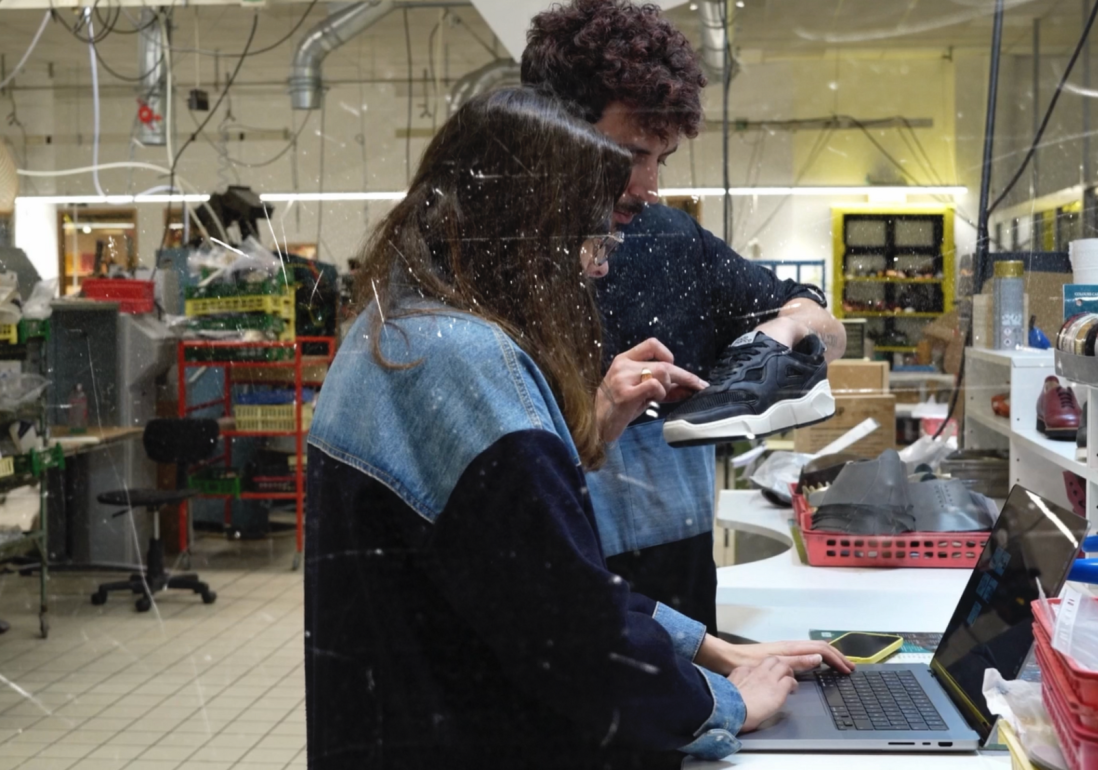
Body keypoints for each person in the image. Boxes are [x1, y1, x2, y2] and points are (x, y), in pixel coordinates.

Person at [305, 87, 850, 768]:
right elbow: (574, 639)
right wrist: (728, 701)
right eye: (592, 239)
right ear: (527, 230)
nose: (598, 267)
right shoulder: (470, 367)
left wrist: (707, 646)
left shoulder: (394, 330)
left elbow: (538, 578)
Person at [522, 0, 848, 634]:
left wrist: (786, 333)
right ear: (553, 131)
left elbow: (822, 322)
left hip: (675, 593)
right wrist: (596, 415)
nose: (647, 186)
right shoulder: (490, 266)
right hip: (549, 594)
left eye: (659, 160)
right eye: (628, 156)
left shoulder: (672, 243)